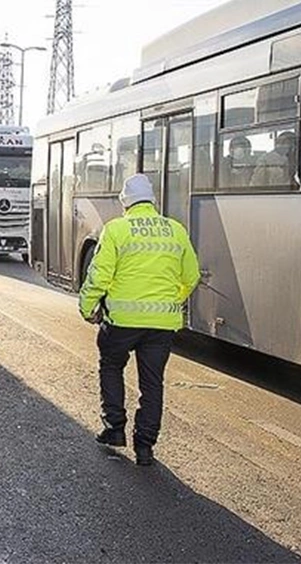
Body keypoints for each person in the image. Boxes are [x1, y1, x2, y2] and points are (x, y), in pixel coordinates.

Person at [78, 174, 200, 466]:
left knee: (111, 366)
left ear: (125, 202)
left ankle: (115, 428)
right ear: (153, 201)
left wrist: (87, 306)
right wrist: (171, 300)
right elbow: (191, 276)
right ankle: (145, 448)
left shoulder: (117, 230)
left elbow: (99, 275)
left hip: (122, 322)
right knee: (152, 383)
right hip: (161, 326)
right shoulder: (176, 230)